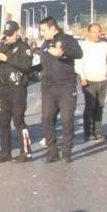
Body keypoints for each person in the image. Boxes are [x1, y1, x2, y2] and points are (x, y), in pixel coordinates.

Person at [39, 16, 83, 163]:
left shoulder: (67, 40)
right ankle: (52, 151)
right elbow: (43, 64)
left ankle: (66, 152)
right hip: (48, 87)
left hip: (66, 86)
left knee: (67, 120)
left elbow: (78, 53)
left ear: (53, 28)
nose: (42, 33)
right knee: (46, 119)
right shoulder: (45, 43)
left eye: (44, 30)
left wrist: (63, 53)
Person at [0, 21, 33, 164]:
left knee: (19, 120)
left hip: (17, 86)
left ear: (16, 33)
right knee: (3, 121)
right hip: (4, 86)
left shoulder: (23, 48)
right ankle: (5, 153)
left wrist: (8, 59)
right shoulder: (2, 46)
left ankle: (26, 152)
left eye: (10, 34)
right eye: (6, 34)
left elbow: (27, 66)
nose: (7, 37)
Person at [75, 23, 107, 142]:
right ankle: (88, 132)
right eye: (94, 32)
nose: (97, 34)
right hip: (89, 81)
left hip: (102, 80)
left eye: (99, 31)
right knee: (90, 107)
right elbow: (79, 63)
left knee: (100, 107)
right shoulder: (83, 45)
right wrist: (82, 77)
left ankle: (98, 132)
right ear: (88, 33)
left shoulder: (104, 45)